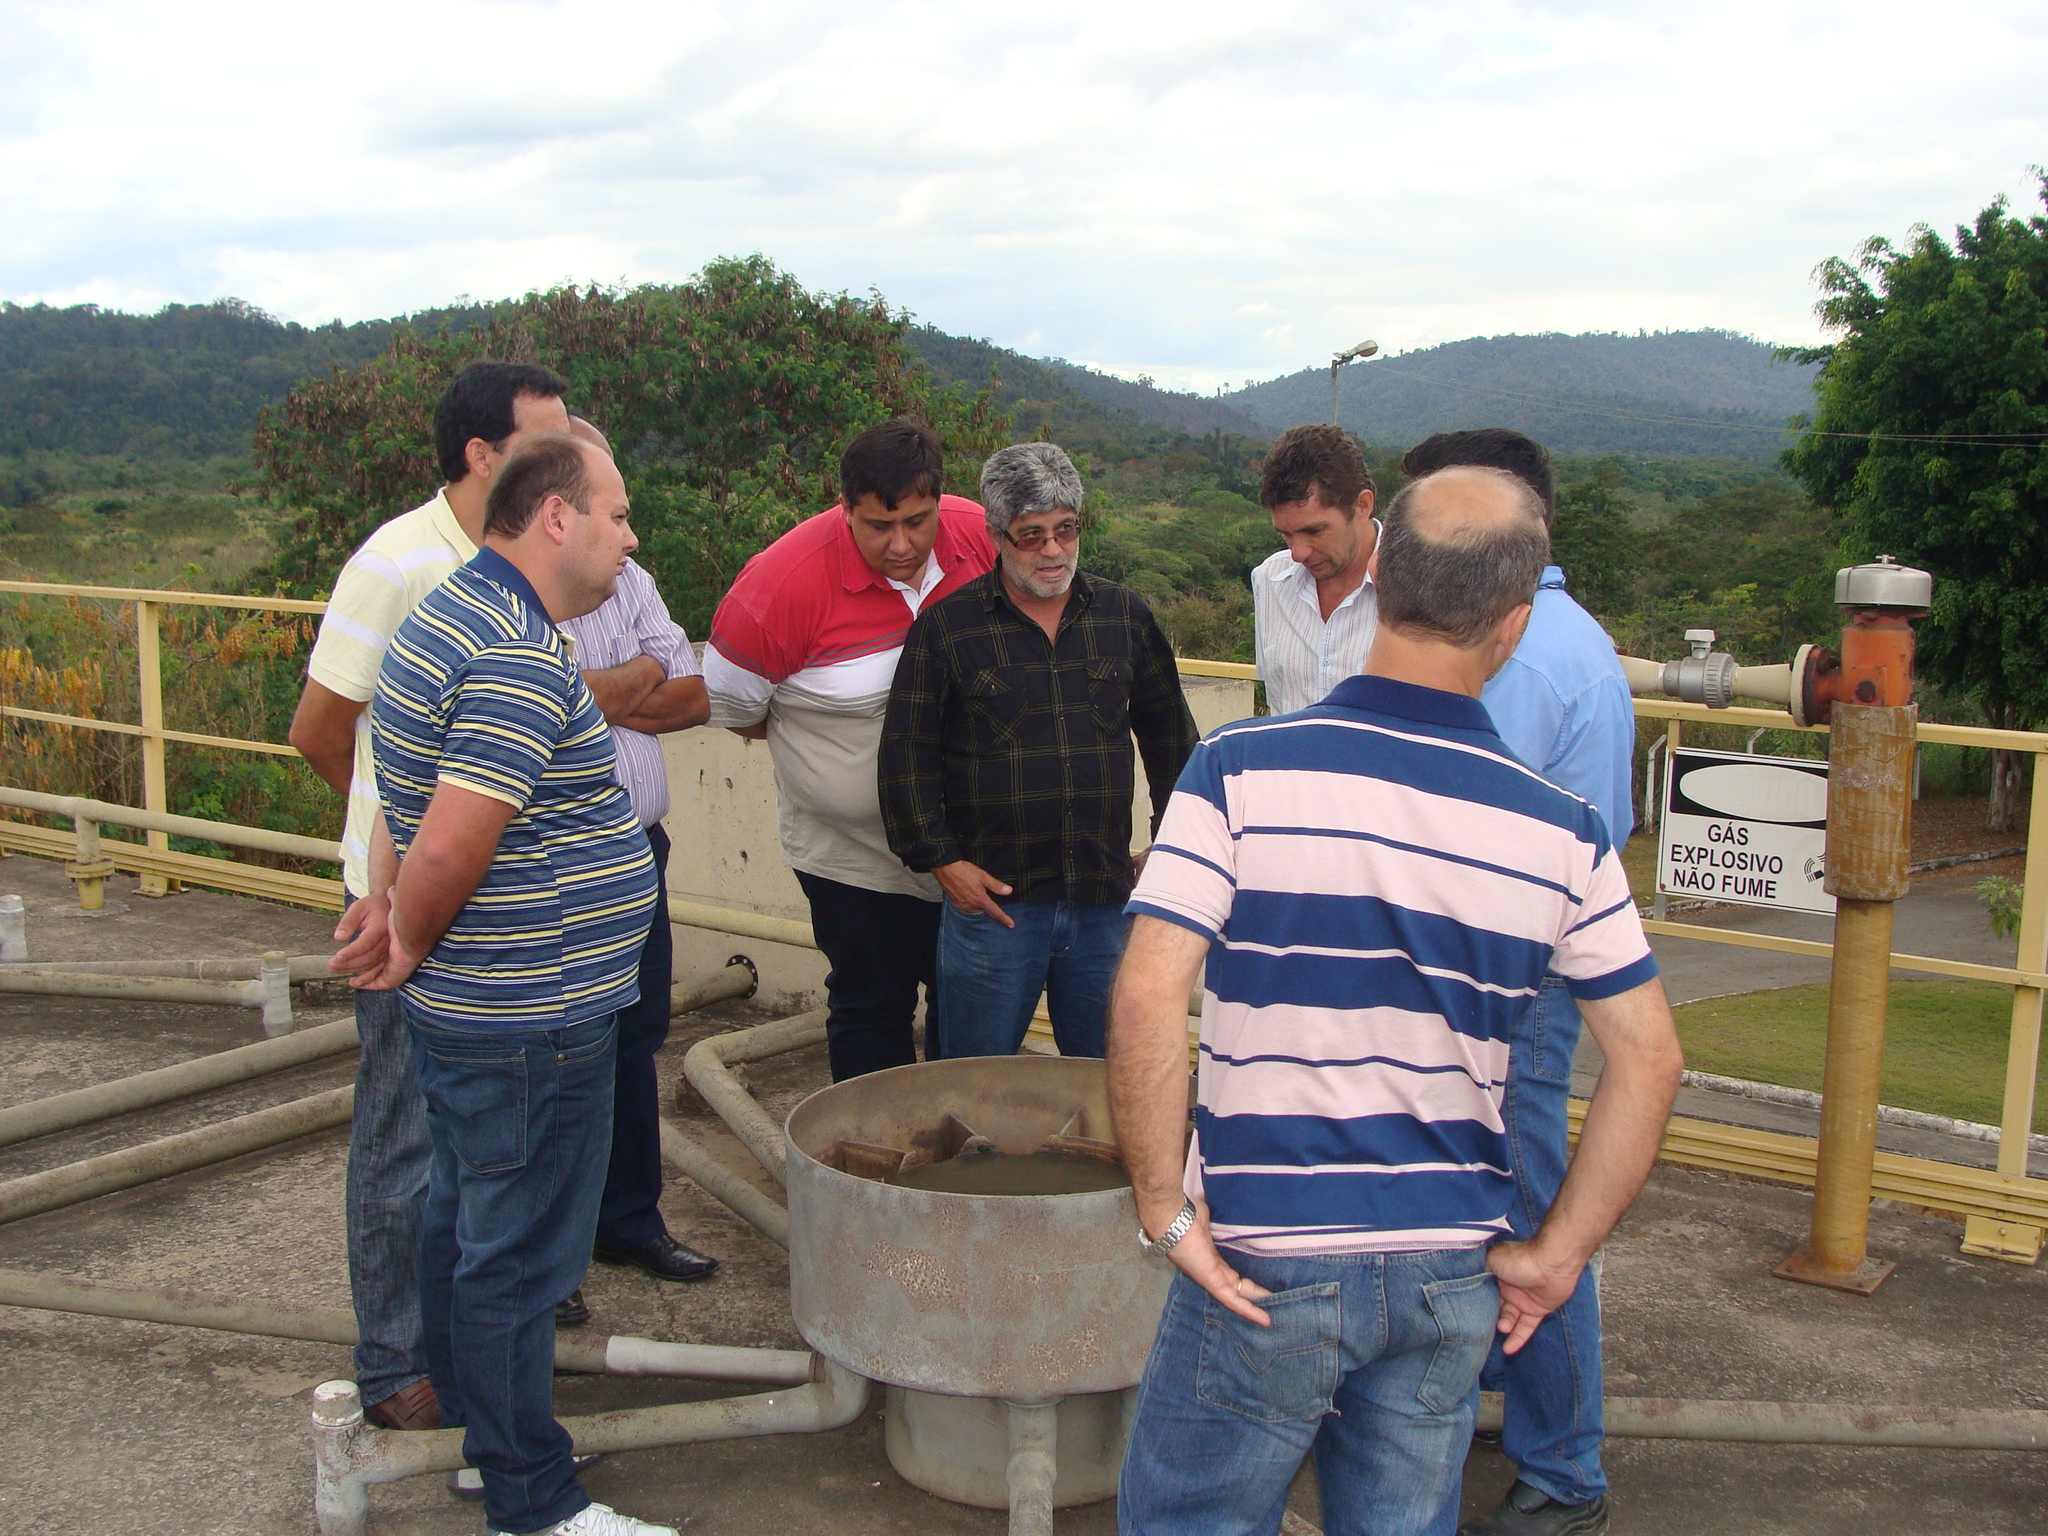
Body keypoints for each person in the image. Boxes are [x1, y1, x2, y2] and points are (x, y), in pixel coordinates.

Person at [1108, 466, 1683, 1536]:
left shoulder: (1238, 768)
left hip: (1262, 1257)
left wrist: (1160, 1205)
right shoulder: (1561, 831)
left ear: (1378, 577)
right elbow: (1650, 1061)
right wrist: (1551, 1261)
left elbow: (1147, 992)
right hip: (1444, 1273)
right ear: (1510, 626)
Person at [335, 433, 672, 1536]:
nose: (631, 539)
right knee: (521, 1257)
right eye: (617, 516)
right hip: (533, 1009)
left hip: (486, 1006)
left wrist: (393, 918)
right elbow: (450, 842)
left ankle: (484, 1444)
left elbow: (398, 791)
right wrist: (408, 934)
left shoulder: (445, 612)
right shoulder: (522, 656)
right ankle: (533, 1495)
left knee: (462, 1221)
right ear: (558, 518)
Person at [292, 360, 570, 1433]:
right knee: (405, 1137)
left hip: (498, 911)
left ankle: (479, 1336)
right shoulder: (399, 564)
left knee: (489, 1140)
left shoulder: (522, 559)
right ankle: (396, 1362)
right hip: (413, 913)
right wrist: (400, 856)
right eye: (546, 444)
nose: (567, 463)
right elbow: (324, 732)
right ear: (480, 456)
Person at [1400, 430, 1637, 1536]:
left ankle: (1559, 1469)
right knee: (1523, 1215)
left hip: (1514, 992)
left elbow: (1458, 839)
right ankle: (1519, 1428)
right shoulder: (1572, 639)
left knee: (1539, 1230)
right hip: (1544, 973)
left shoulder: (1519, 661)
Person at [879, 442, 1197, 1059]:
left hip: (1103, 904)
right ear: (998, 535)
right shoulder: (948, 630)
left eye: (1064, 530)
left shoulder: (1123, 618)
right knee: (973, 1086)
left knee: (1105, 1083)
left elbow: (1172, 741)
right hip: (995, 911)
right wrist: (943, 862)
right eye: (1032, 536)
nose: (1053, 550)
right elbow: (904, 759)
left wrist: (1171, 844)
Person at [703, 418, 994, 1079]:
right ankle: (870, 1166)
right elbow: (739, 712)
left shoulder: (979, 536)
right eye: (877, 527)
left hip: (971, 845)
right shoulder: (776, 588)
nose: (901, 545)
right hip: (854, 861)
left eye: (918, 523)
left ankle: (964, 1166)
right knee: (871, 1007)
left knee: (971, 1006)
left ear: (940, 502)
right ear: (845, 508)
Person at [554, 416, 717, 1326]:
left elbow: (687, 682)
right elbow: (562, 700)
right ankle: (557, 1251)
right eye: (613, 510)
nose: (630, 533)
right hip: (561, 862)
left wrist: (604, 685)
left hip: (637, 849)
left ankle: (629, 1220)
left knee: (634, 1037)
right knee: (566, 1051)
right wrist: (627, 677)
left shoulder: (632, 577)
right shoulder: (515, 593)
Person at [1250, 424, 1381, 715]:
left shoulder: (1419, 585)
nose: (1298, 553)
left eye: (1315, 531)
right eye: (1286, 534)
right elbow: (1277, 702)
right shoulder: (1269, 580)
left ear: (1362, 505)